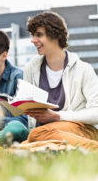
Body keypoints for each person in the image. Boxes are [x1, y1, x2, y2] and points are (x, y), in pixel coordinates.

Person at [21, 11, 98, 149]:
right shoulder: (31, 69)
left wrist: (58, 117)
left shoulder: (83, 69)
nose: (33, 40)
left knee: (36, 136)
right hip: (47, 132)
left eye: (39, 34)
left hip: (81, 129)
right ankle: (63, 148)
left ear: (54, 35)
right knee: (18, 147)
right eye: (33, 35)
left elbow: (96, 113)